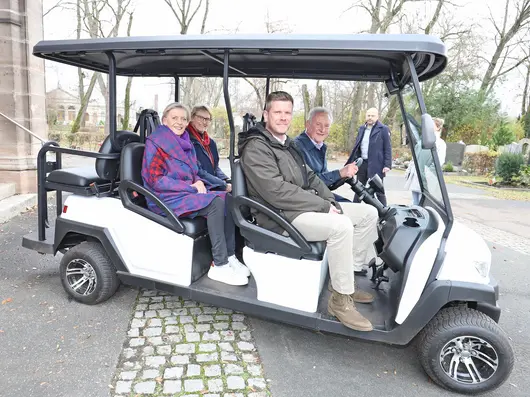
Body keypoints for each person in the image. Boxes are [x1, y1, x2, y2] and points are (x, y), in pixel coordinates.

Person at [238, 91, 379, 332]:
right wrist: (323, 206)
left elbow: (311, 177)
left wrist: (329, 201)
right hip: (279, 216)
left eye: (287, 113)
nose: (283, 118)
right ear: (266, 114)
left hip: (300, 208)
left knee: (368, 214)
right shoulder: (257, 147)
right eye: (277, 112)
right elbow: (275, 192)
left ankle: (346, 281)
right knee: (341, 226)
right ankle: (339, 301)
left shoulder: (287, 144)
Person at [141, 102, 250, 286]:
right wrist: (191, 187)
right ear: (165, 119)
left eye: (183, 119)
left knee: (229, 199)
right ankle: (219, 265)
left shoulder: (185, 141)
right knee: (215, 203)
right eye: (174, 118)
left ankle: (230, 255)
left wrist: (219, 184)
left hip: (182, 193)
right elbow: (155, 180)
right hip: (164, 197)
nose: (179, 122)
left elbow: (196, 172)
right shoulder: (156, 143)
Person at [294, 107, 358, 203]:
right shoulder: (297, 147)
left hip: (320, 194)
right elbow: (310, 182)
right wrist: (339, 173)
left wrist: (343, 176)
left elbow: (325, 180)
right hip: (307, 199)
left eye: (327, 126)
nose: (322, 129)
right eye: (318, 124)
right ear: (307, 124)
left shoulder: (320, 146)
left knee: (352, 205)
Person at [347, 107, 392, 206]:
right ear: (365, 116)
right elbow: (357, 146)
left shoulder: (383, 129)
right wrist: (353, 161)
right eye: (368, 115)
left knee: (379, 190)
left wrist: (387, 165)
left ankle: (384, 211)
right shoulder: (361, 128)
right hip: (363, 163)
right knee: (358, 187)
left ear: (377, 117)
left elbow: (387, 148)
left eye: (373, 115)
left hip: (377, 164)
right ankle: (355, 208)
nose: (370, 118)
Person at [186, 105, 231, 192]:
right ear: (191, 118)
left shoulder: (211, 143)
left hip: (212, 183)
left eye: (207, 119)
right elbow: (198, 171)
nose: (204, 122)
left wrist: (225, 180)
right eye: (200, 118)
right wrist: (223, 185)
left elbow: (215, 167)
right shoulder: (187, 140)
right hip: (199, 185)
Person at [404, 117, 447, 205]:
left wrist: (427, 174)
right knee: (415, 202)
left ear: (438, 127)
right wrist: (409, 171)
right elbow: (414, 158)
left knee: (424, 203)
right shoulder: (421, 142)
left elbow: (438, 162)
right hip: (415, 177)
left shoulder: (440, 143)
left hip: (427, 179)